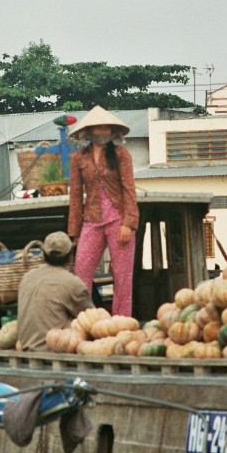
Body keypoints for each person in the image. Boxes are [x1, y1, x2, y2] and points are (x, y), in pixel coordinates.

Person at [67, 106, 139, 316]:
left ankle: (121, 322)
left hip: (119, 219)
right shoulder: (78, 158)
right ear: (88, 131)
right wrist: (75, 232)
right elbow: (75, 196)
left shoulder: (121, 154)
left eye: (106, 127)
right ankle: (84, 320)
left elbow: (129, 190)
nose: (103, 131)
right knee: (81, 273)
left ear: (112, 131)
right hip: (92, 220)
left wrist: (128, 223)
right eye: (98, 127)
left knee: (122, 277)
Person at [17, 231, 94, 351]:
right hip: (54, 350)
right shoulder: (73, 283)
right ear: (70, 258)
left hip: (26, 348)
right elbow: (92, 321)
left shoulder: (26, 277)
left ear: (43, 256)